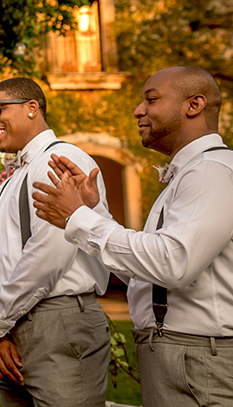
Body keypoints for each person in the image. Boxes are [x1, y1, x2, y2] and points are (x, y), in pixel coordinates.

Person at [32, 66, 233, 407]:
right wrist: (93, 212)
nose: (139, 110)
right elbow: (150, 274)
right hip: (177, 353)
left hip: (199, 359)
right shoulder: (189, 175)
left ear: (194, 105)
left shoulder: (211, 172)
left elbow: (173, 264)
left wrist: (79, 219)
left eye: (151, 100)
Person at [0, 77, 112, 407]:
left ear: (32, 108)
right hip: (13, 322)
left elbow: (49, 254)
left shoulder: (60, 158)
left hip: (57, 320)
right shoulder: (14, 176)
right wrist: (0, 329)